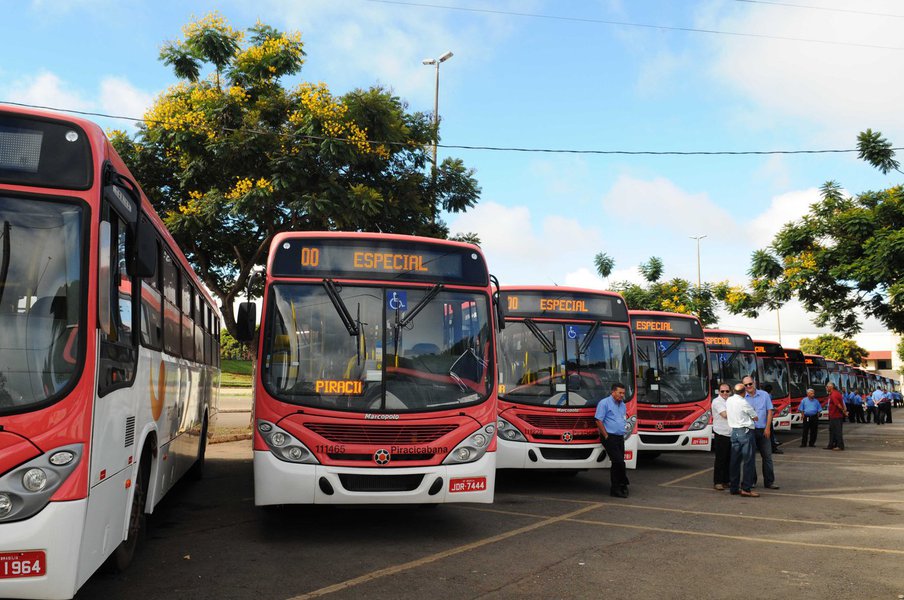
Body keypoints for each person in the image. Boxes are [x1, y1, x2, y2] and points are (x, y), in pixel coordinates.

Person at [742, 375, 779, 490]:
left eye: (750, 384)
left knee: (767, 457)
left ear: (754, 383)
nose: (748, 386)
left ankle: (769, 482)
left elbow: (769, 412)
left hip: (763, 430)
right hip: (749, 431)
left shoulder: (764, 395)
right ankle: (751, 481)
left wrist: (767, 428)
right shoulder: (742, 398)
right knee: (750, 457)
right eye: (746, 385)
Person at [595, 382, 629, 498]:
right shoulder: (604, 403)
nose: (622, 395)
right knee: (618, 461)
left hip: (620, 437)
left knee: (618, 463)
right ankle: (622, 484)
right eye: (620, 393)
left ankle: (617, 487)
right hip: (609, 437)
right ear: (613, 392)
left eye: (623, 393)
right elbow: (598, 420)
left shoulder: (622, 405)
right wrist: (605, 435)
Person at [727, 382, 759, 497]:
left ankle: (734, 487)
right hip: (745, 432)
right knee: (748, 461)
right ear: (744, 392)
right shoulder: (743, 402)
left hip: (734, 431)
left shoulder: (729, 400)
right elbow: (755, 416)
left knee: (735, 461)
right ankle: (746, 488)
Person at [711, 383, 732, 490]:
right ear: (719, 392)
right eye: (722, 391)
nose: (725, 393)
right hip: (721, 433)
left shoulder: (731, 401)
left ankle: (726, 481)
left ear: (730, 392)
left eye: (727, 391)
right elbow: (725, 415)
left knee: (729, 459)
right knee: (720, 459)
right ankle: (717, 482)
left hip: (731, 434)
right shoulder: (717, 401)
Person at [824, 382, 848, 450]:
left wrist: (844, 411)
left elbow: (838, 405)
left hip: (836, 416)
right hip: (834, 416)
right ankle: (831, 445)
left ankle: (840, 446)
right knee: (832, 431)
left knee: (837, 431)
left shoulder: (834, 395)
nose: (826, 388)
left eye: (827, 387)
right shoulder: (835, 393)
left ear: (831, 387)